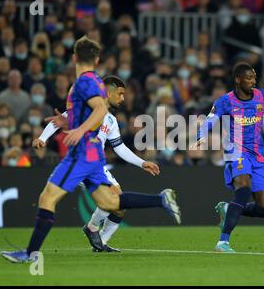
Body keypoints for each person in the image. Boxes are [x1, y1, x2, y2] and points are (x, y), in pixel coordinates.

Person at [0, 37, 179, 263]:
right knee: (111, 203)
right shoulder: (95, 82)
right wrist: (69, 124)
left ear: (74, 57)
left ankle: (30, 254)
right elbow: (91, 112)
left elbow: (100, 109)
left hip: (82, 154)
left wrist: (79, 129)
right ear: (96, 59)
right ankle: (159, 199)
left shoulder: (84, 82)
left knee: (47, 198)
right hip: (95, 157)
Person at [35, 75, 181, 252]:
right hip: (80, 162)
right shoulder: (85, 109)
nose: (123, 98)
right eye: (120, 94)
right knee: (116, 198)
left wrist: (142, 163)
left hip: (97, 164)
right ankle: (92, 228)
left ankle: (101, 242)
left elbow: (119, 147)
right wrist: (42, 138)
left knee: (119, 207)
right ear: (108, 92)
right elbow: (58, 121)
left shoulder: (110, 120)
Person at [194, 62, 264, 252]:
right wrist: (200, 135)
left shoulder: (261, 96)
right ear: (237, 79)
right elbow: (211, 119)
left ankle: (228, 209)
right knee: (243, 189)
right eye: (249, 78)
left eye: (254, 78)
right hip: (237, 152)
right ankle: (223, 241)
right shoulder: (225, 101)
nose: (253, 81)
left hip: (257, 156)